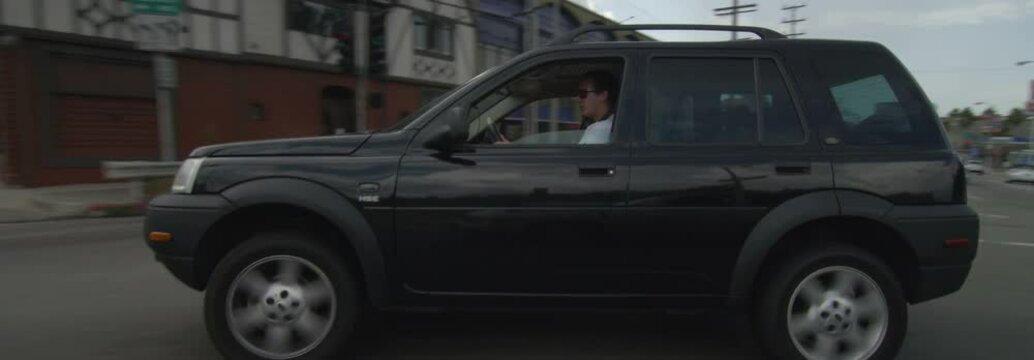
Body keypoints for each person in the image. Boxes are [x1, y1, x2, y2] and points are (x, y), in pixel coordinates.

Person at [576, 70, 619, 144]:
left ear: (603, 95)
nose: (578, 99)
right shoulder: (615, 124)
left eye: (583, 93)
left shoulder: (599, 129)